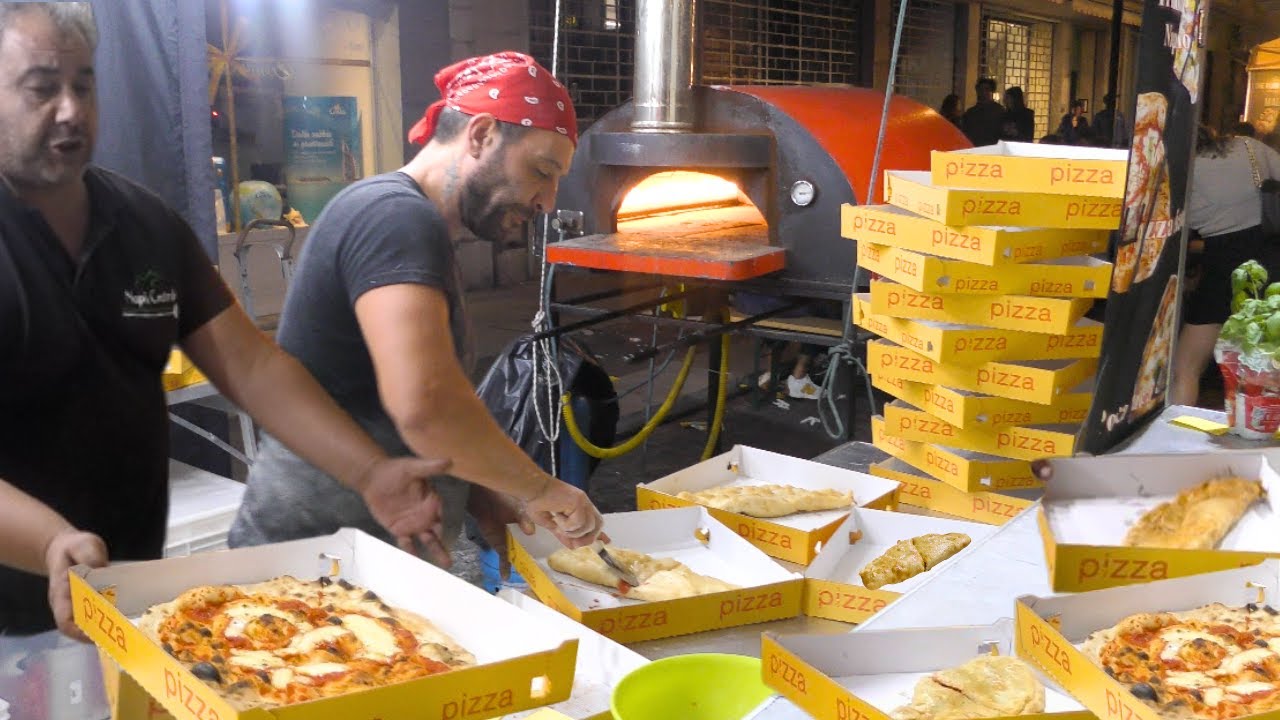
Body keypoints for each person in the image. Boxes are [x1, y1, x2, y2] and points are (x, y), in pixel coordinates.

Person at [0, 3, 472, 638]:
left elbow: (251, 365)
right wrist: (51, 542)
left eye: (82, 84)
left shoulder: (142, 223)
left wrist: (371, 472)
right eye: (40, 88)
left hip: (121, 593)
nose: (70, 109)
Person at [228, 52, 605, 566]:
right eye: (542, 171)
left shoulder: (412, 227)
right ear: (481, 134)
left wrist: (483, 496)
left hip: (369, 553)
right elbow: (426, 406)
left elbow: (383, 401)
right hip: (313, 561)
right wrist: (540, 489)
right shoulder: (394, 219)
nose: (547, 200)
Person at [1171, 125, 1280, 405]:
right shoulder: (1249, 146)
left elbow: (1176, 229)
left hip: (1221, 271)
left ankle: (1177, 438)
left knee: (1186, 368)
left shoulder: (1181, 172)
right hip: (1271, 261)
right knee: (1264, 370)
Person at [961, 78, 1004, 147]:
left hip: (993, 150)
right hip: (974, 149)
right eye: (980, 89)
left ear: (992, 91)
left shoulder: (999, 111)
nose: (983, 92)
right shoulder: (970, 113)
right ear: (977, 91)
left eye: (987, 89)